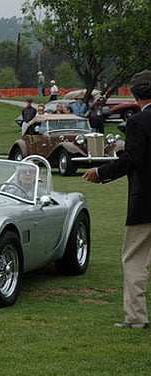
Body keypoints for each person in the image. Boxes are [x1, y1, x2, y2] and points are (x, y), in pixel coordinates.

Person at [83, 69, 151, 329]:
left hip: (145, 202)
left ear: (134, 95)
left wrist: (101, 173)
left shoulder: (137, 123)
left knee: (134, 260)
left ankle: (135, 318)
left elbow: (132, 160)